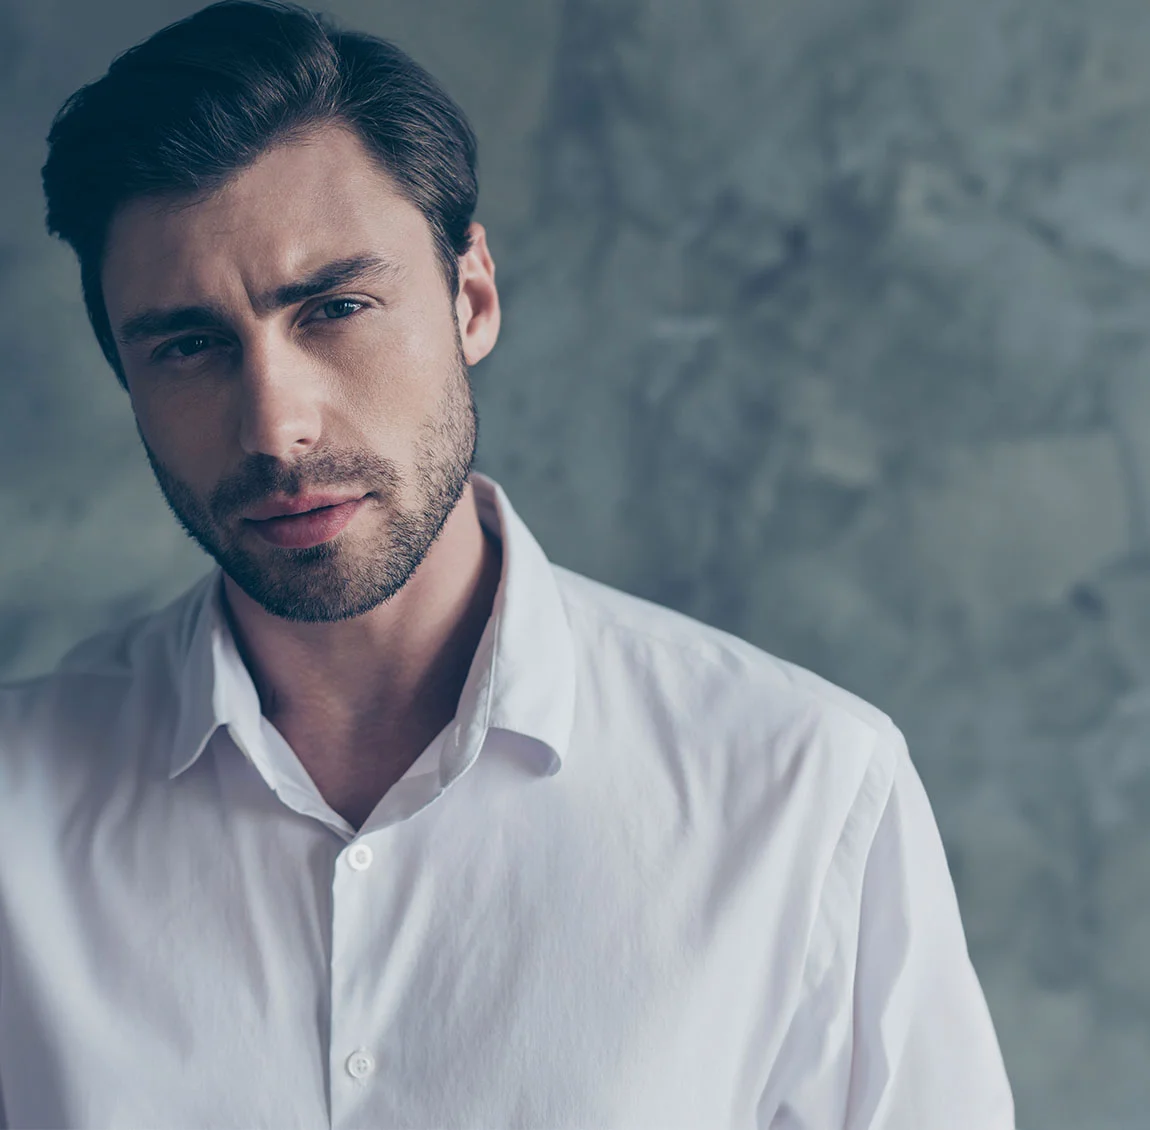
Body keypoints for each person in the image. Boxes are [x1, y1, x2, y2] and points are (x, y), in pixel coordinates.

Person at [0, 2, 1016, 1126]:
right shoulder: (15, 812)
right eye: (189, 345)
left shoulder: (804, 788)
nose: (275, 425)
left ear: (470, 298)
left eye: (337, 307)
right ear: (126, 377)